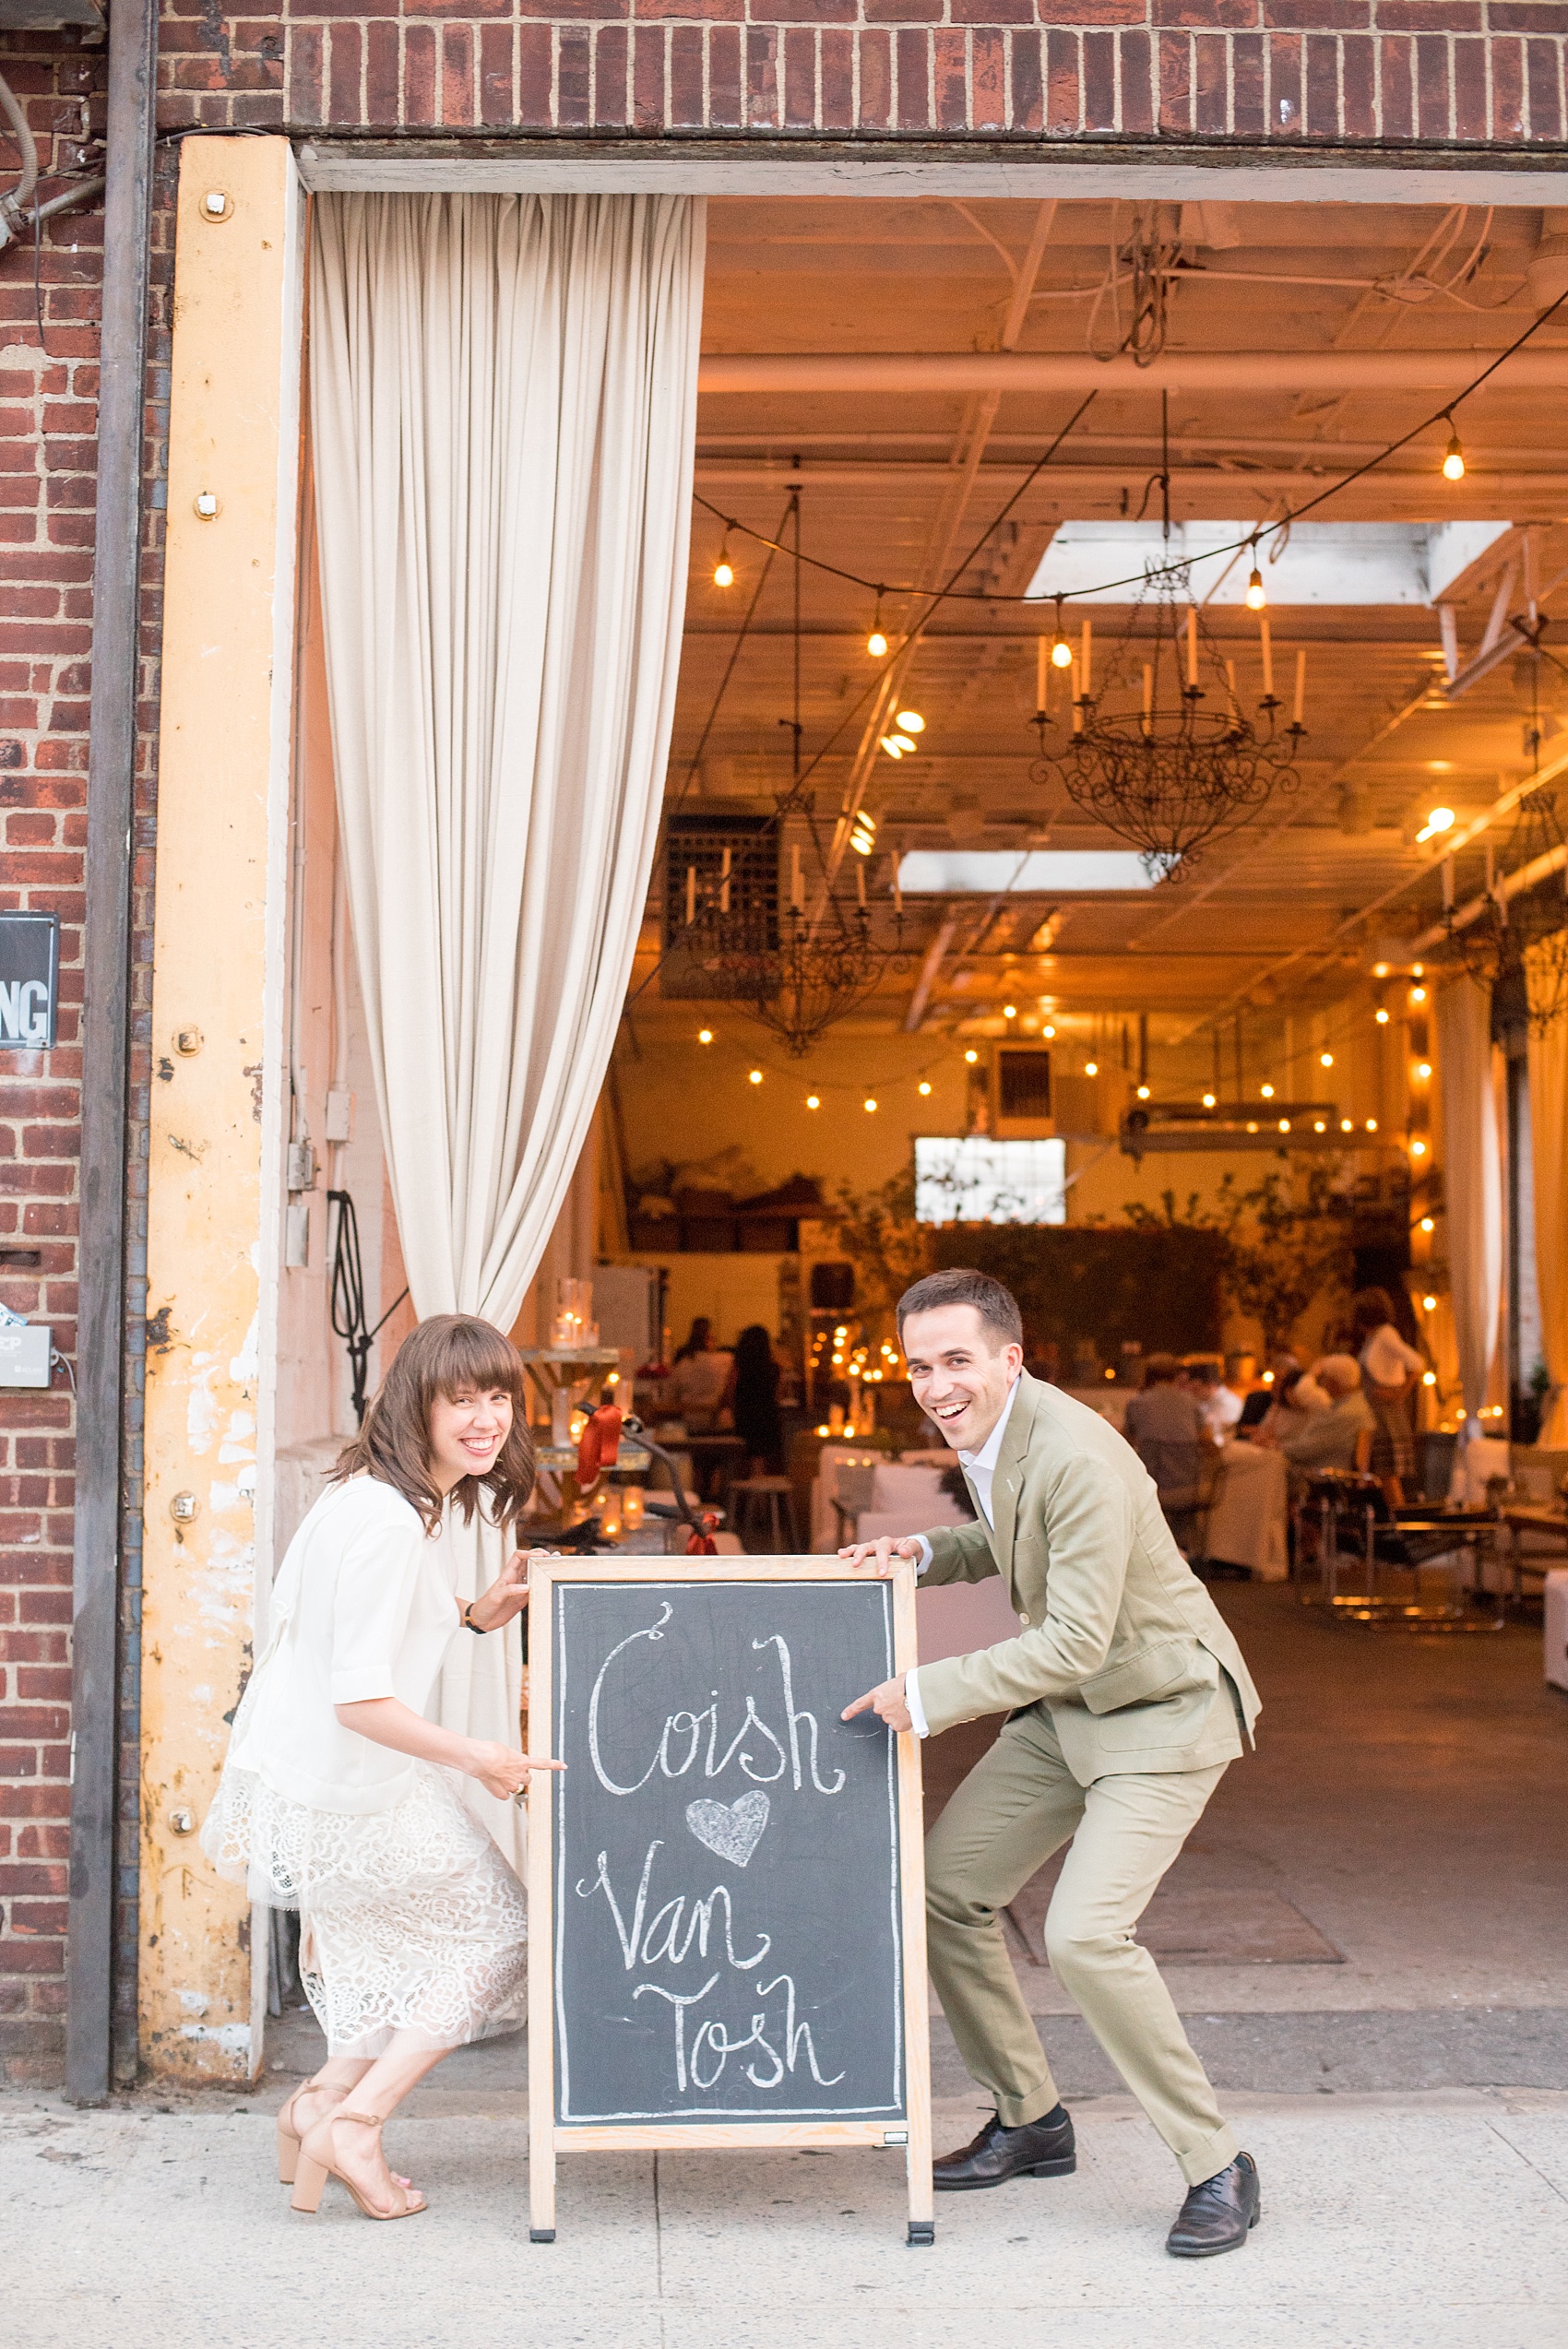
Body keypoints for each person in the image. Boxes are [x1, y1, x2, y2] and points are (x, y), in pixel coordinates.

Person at [838, 1268, 1264, 2259]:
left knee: (1081, 1934)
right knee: (943, 1890)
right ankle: (1029, 2120)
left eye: (956, 1362)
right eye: (918, 1367)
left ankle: (1215, 2164)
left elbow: (1072, 1638)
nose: (936, 1385)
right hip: (1071, 1712)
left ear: (1008, 1358)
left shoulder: (1075, 1453)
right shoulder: (999, 1434)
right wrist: (919, 1553)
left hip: (1160, 1710)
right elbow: (1005, 1539)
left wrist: (928, 1694)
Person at [201, 1313, 563, 2223]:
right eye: (462, 1399)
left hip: (311, 1775)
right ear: (418, 1406)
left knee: (380, 1954)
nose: (486, 1419)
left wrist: (475, 1615)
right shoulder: (390, 1520)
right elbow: (359, 1696)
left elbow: (352, 1625)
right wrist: (481, 1755)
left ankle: (315, 2108)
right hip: (343, 1776)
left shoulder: (372, 1498)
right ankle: (359, 2119)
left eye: (498, 1398)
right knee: (501, 1936)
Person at [1122, 1353, 1211, 1554]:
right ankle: (1185, 1551)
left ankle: (1154, 1550)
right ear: (1177, 1376)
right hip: (1190, 1487)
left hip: (1151, 1486)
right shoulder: (1191, 1402)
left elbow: (1125, 1442)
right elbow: (1208, 1442)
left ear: (1148, 1375)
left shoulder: (1137, 1404)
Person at [1349, 1287, 1424, 1501]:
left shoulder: (1385, 1335)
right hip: (1373, 1413)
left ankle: (1399, 1523)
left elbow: (1416, 1363)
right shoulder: (1373, 1338)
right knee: (1379, 1475)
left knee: (1388, 1475)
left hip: (1385, 1414)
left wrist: (1399, 1393)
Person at [1261, 1352, 1374, 1475]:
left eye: (1323, 1378)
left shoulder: (1344, 1413)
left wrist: (1273, 1447)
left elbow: (1306, 1449)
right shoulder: (1357, 1404)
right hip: (1322, 1472)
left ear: (1333, 1382)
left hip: (1322, 1478)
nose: (1321, 1384)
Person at [726, 1322, 784, 1474]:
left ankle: (747, 1493)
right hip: (768, 1416)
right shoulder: (774, 1368)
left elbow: (729, 1394)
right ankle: (761, 1493)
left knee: (745, 1457)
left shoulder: (739, 1366)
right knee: (763, 1458)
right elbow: (778, 1396)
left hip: (745, 1416)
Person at [665, 1316, 732, 1431]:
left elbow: (670, 1396)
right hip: (718, 1423)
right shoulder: (725, 1361)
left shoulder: (683, 1364)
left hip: (690, 1422)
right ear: (708, 1338)